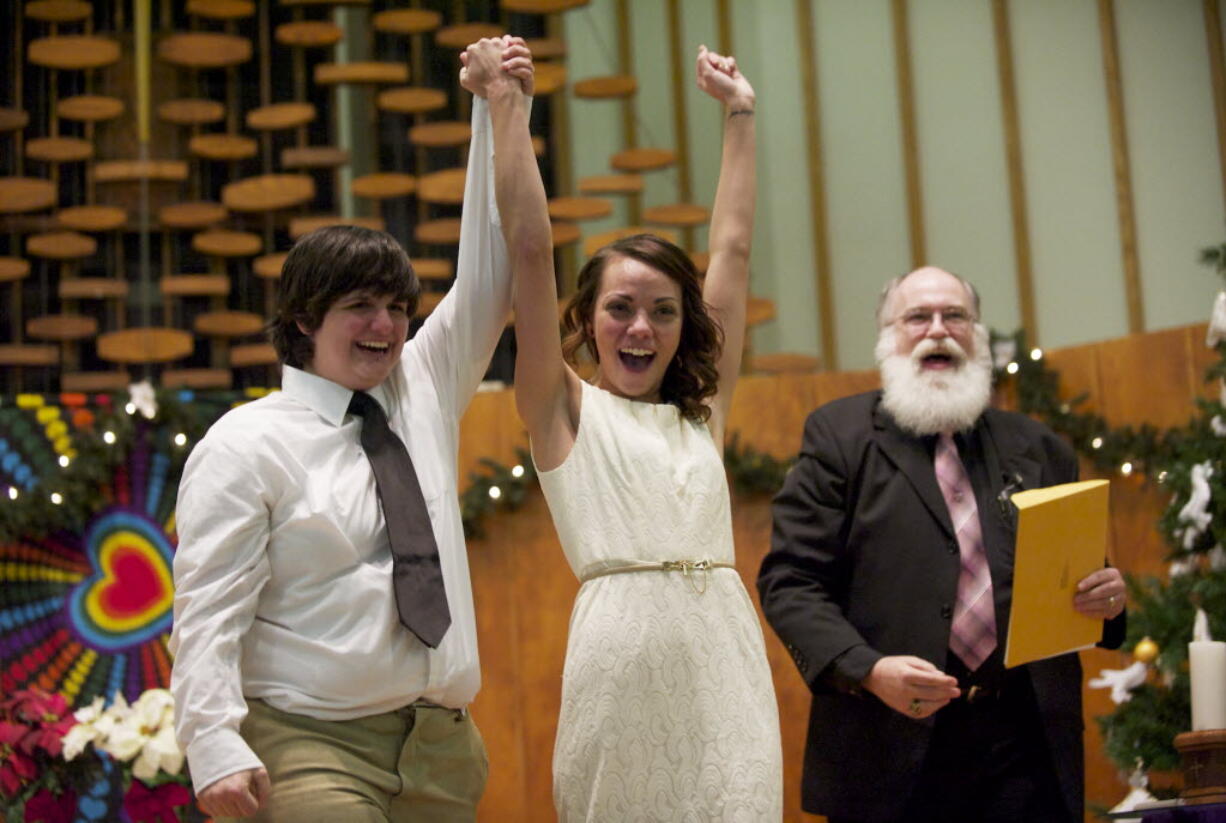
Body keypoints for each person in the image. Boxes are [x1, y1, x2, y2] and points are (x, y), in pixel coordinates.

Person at [167, 39, 534, 822]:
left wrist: (495, 107)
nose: (388, 326)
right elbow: (207, 611)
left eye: (399, 307)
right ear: (304, 319)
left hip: (443, 749)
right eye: (361, 308)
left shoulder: (422, 386)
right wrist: (213, 742)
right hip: (307, 743)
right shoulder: (244, 443)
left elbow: (493, 277)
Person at [464, 35, 782, 820]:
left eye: (663, 311)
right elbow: (530, 251)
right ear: (589, 320)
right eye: (620, 307)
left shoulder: (701, 414)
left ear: (684, 327)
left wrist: (740, 116)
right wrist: (508, 106)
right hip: (617, 665)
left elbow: (734, 251)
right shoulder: (560, 407)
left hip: (727, 666)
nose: (641, 327)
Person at [758, 265, 1128, 823]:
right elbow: (790, 582)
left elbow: (1079, 578)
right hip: (889, 745)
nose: (938, 330)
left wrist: (1109, 599)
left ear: (976, 336)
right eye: (917, 317)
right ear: (889, 338)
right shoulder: (839, 437)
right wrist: (868, 669)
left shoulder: (1039, 447)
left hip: (1024, 751)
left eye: (955, 316)